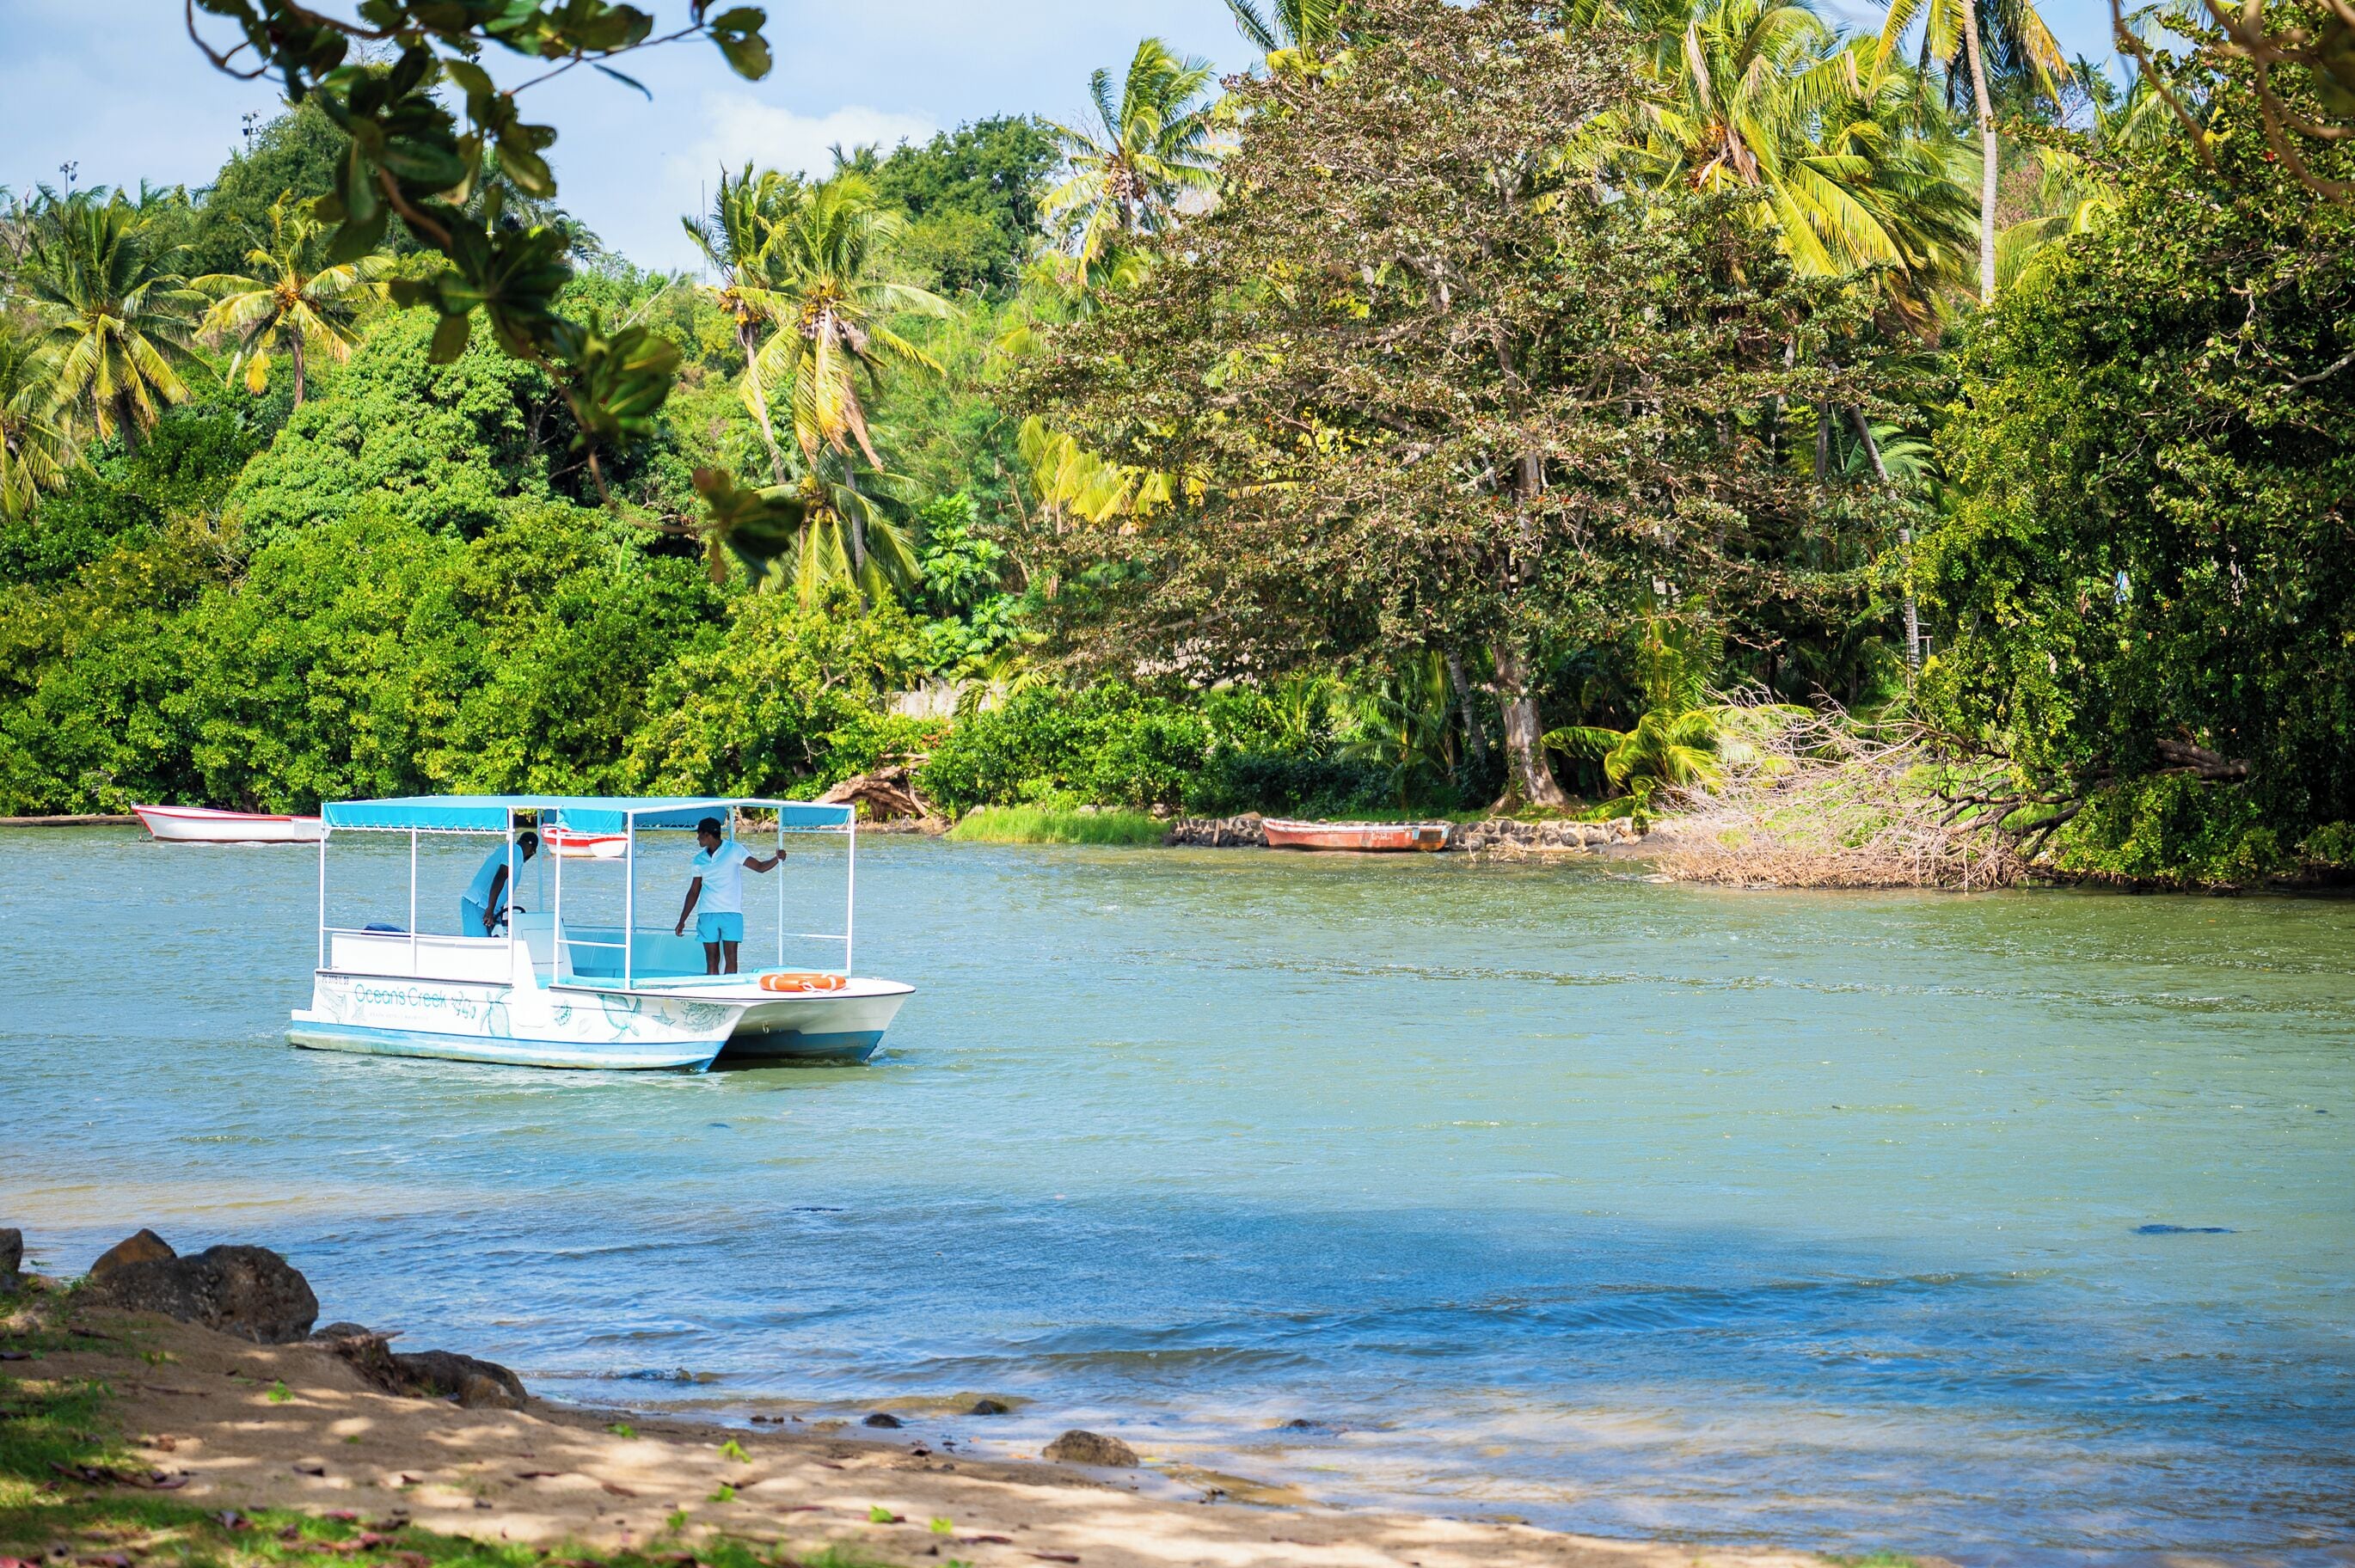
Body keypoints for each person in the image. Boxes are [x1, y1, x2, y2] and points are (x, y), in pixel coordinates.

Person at [673, 817, 783, 975]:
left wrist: (777, 858)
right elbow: (693, 892)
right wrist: (682, 920)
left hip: (731, 912)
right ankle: (712, 995)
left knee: (731, 958)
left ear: (708, 835)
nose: (697, 838)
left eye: (699, 834)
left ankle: (728, 992)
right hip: (707, 913)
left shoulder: (734, 850)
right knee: (712, 959)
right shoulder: (698, 860)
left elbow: (760, 867)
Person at [460, 830, 538, 937]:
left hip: (484, 906)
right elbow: (500, 877)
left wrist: (497, 915)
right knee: (477, 947)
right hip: (479, 904)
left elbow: (504, 887)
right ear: (532, 850)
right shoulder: (515, 851)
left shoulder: (510, 850)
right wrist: (490, 910)